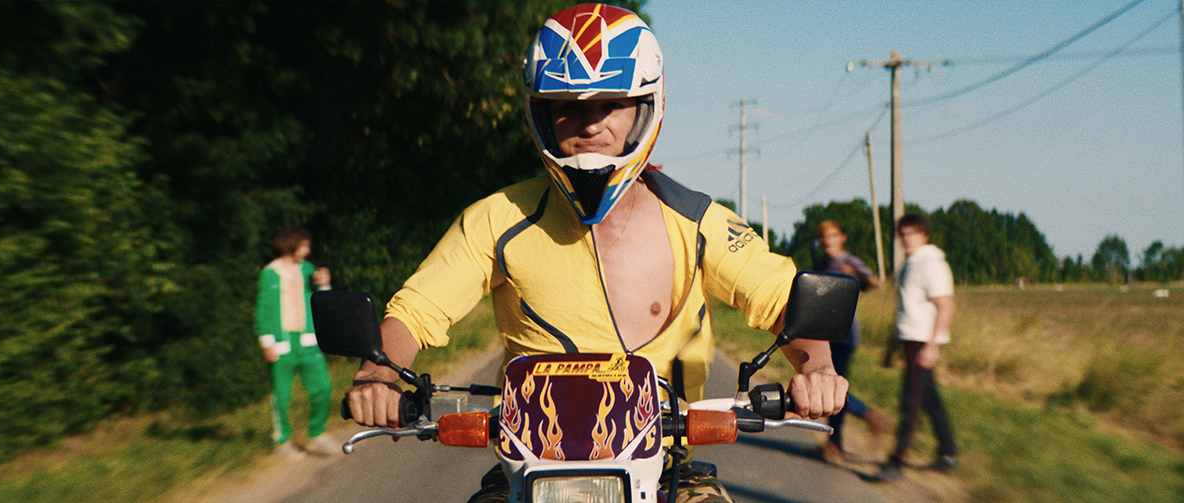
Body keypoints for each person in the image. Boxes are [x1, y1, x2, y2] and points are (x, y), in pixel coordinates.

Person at [344, 5, 847, 502]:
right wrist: (378, 375)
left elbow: (782, 299)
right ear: (540, 112)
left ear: (646, 107)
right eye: (570, 106)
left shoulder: (699, 224)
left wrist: (818, 370)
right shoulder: (496, 219)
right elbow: (417, 310)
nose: (592, 125)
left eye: (611, 103)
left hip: (669, 469)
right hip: (527, 472)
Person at [874, 214, 958, 481]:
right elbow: (904, 310)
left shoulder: (933, 264)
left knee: (911, 402)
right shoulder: (909, 265)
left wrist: (932, 346)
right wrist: (891, 346)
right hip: (909, 341)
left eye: (912, 233)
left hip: (923, 342)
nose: (906, 238)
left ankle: (897, 461)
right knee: (930, 400)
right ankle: (948, 453)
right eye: (903, 234)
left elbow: (946, 306)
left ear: (925, 235)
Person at [255, 225, 339, 458]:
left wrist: (324, 284)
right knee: (282, 395)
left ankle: (317, 433)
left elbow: (323, 301)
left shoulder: (308, 269)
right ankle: (282, 441)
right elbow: (262, 310)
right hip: (281, 344)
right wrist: (266, 342)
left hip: (308, 341)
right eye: (304, 245)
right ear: (291, 245)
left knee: (323, 387)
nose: (308, 250)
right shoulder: (269, 273)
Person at [812, 220, 892, 464]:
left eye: (833, 235)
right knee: (828, 386)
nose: (828, 240)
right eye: (824, 236)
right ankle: (835, 443)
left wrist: (855, 276)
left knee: (833, 387)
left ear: (842, 237)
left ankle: (868, 419)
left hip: (844, 333)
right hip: (823, 332)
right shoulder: (821, 264)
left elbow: (874, 282)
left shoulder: (849, 261)